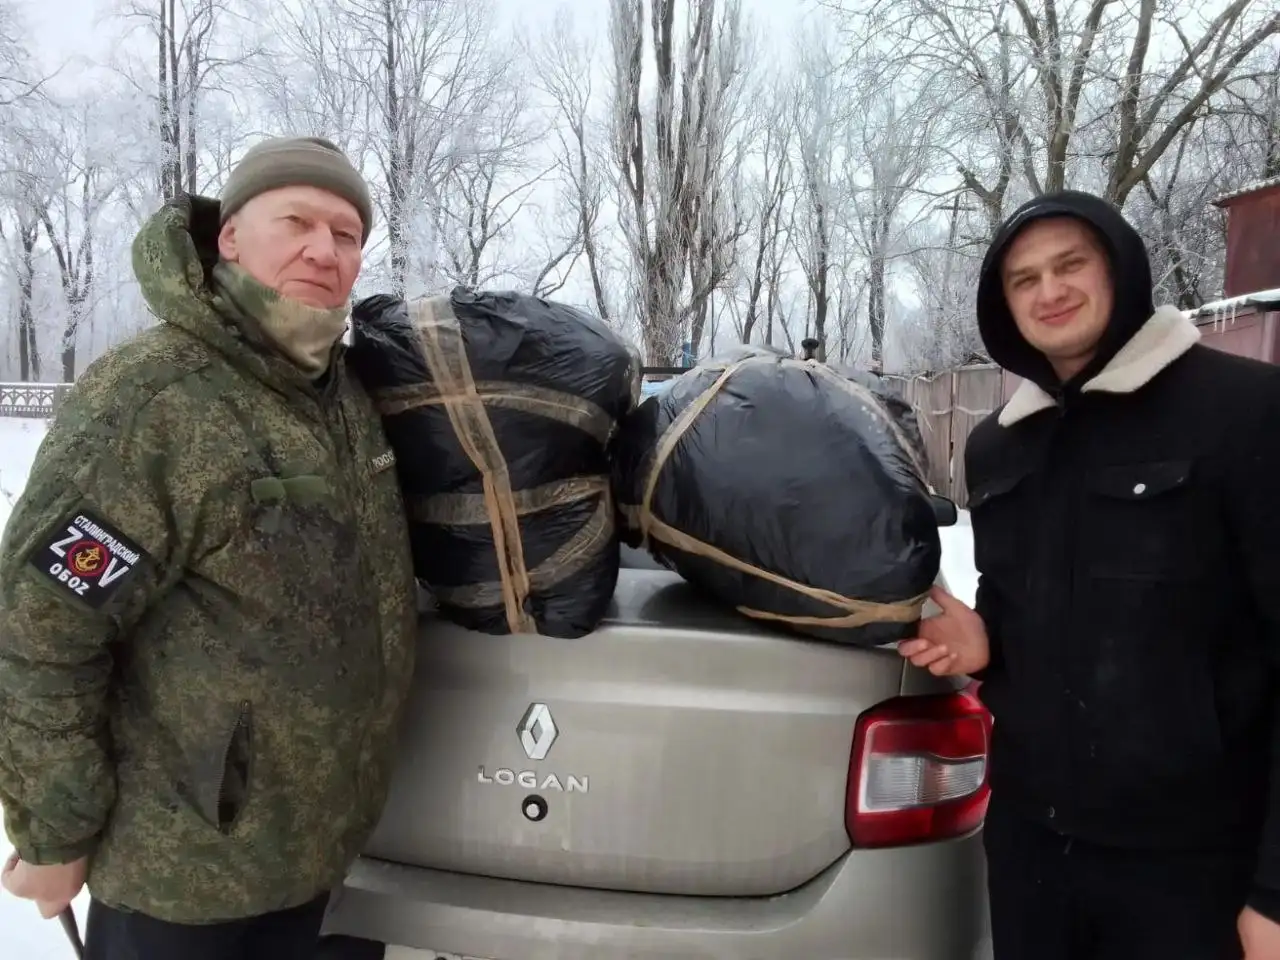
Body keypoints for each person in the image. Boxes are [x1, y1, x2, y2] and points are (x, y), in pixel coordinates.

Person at [0, 136, 419, 959]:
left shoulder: (341, 393)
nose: (322, 249)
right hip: (187, 888)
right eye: (295, 220)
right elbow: (38, 630)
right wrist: (55, 832)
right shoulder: (155, 400)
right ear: (229, 237)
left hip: (329, 866)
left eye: (345, 234)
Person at [899, 190, 1280, 959]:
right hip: (1034, 853)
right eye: (1024, 278)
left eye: (1071, 264)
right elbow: (1027, 606)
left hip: (1195, 865)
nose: (1050, 291)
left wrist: (1274, 893)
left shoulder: (1243, 412)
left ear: (1122, 270)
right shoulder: (1001, 447)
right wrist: (987, 644)